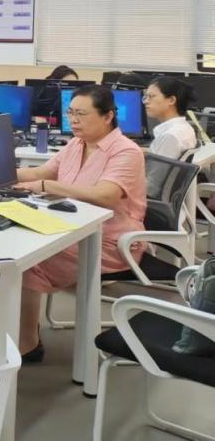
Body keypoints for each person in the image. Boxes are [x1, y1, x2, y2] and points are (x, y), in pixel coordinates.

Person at [13, 85, 146, 361]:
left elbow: (105, 195)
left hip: (110, 242)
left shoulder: (126, 151)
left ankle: (27, 343)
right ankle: (23, 330)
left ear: (108, 116)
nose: (73, 120)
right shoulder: (77, 144)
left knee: (28, 259)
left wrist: (46, 186)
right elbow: (42, 171)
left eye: (81, 114)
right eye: (70, 113)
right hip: (74, 228)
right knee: (21, 246)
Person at [145, 77, 198, 162]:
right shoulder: (182, 128)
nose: (145, 101)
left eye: (151, 96)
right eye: (145, 97)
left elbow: (156, 169)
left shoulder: (170, 136)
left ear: (171, 100)